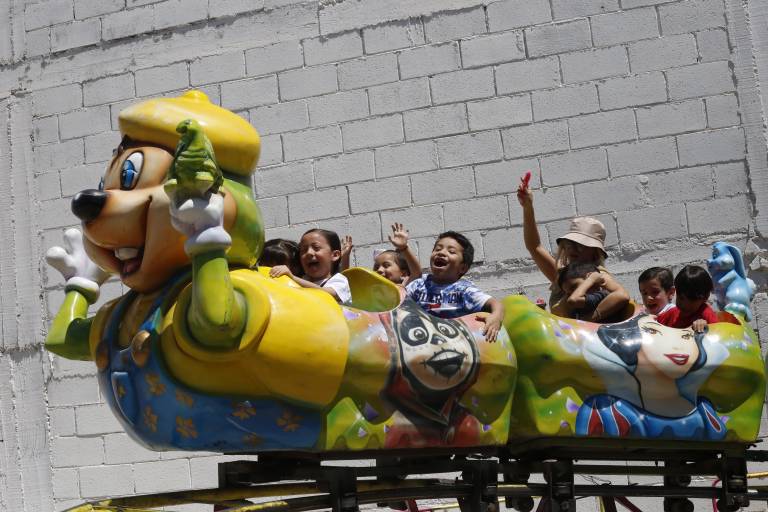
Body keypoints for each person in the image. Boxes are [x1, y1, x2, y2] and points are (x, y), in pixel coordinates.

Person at [575, 314, 727, 440]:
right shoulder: (607, 410)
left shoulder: (704, 410)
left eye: (686, 336)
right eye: (652, 331)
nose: (677, 346)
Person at [517, 176, 629, 322]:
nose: (573, 249)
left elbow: (622, 295)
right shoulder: (562, 274)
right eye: (570, 244)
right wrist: (528, 206)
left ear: (595, 251)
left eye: (581, 245)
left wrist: (588, 321)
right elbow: (534, 247)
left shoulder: (597, 275)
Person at [405, 231, 504, 341]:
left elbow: (495, 304)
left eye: (451, 252)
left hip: (454, 342)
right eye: (437, 249)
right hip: (420, 339)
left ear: (462, 268)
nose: (441, 252)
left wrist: (496, 317)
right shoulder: (419, 284)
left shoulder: (464, 290)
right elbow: (399, 302)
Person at [269, 228, 351, 303]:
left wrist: (292, 278)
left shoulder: (339, 281)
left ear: (335, 255)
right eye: (304, 250)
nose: (309, 252)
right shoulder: (303, 279)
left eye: (316, 247)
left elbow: (327, 295)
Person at [340, 224, 422, 286]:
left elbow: (416, 272)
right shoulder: (371, 291)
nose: (379, 270)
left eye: (386, 265)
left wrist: (404, 248)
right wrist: (345, 258)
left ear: (403, 274)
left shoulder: (405, 287)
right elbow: (347, 283)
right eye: (376, 267)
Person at [556, 262, 628, 322]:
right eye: (568, 293)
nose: (572, 294)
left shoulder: (601, 296)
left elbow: (573, 300)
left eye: (574, 287)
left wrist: (591, 279)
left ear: (590, 277)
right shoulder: (579, 306)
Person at [657, 265, 718, 332]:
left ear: (705, 297)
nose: (685, 304)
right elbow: (655, 323)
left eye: (692, 300)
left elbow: (717, 333)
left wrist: (706, 326)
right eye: (681, 297)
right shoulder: (672, 313)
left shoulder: (706, 315)